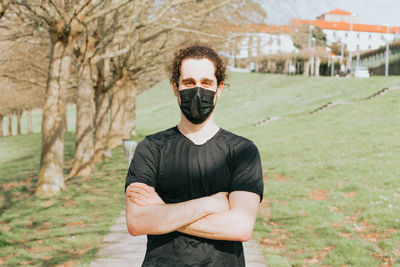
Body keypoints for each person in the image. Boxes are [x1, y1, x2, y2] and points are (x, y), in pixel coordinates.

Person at [124, 44, 264, 266]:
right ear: (175, 87)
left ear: (219, 89)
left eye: (206, 83)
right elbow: (137, 222)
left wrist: (161, 212)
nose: (198, 90)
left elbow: (240, 227)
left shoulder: (242, 151)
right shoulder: (151, 148)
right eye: (189, 82)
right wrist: (210, 204)